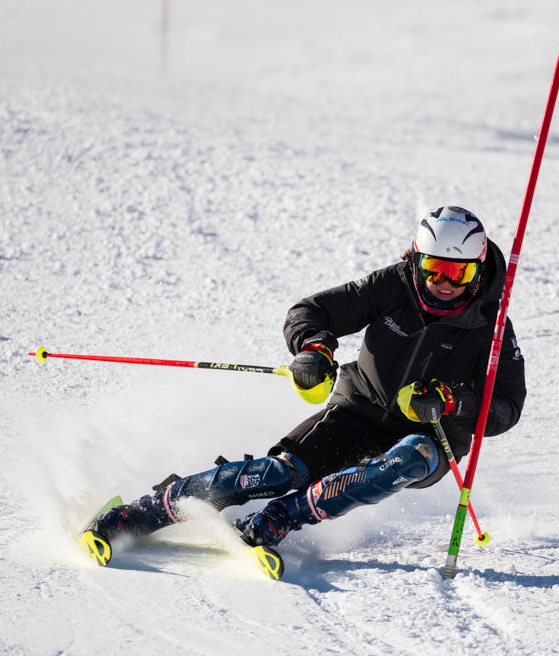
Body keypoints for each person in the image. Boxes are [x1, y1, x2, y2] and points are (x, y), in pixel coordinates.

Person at [90, 206, 527, 558]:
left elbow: (506, 406)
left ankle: (281, 518)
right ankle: (144, 512)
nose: (443, 284)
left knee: (407, 459)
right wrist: (313, 348)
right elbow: (310, 311)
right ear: (414, 259)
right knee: (280, 471)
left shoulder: (491, 326)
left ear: (477, 269)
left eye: (458, 274)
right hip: (360, 409)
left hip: (431, 433)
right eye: (433, 269)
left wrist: (455, 403)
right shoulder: (392, 286)